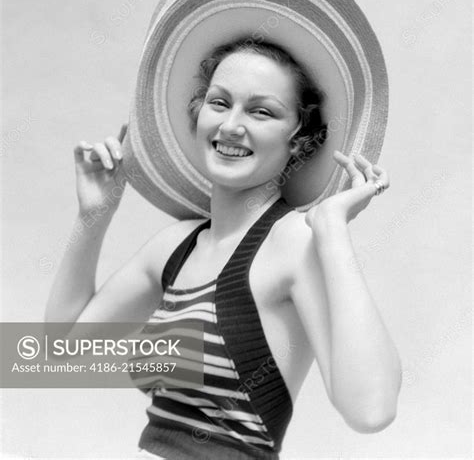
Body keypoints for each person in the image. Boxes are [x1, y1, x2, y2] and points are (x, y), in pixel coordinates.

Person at [45, 37, 401, 460]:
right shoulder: (175, 246)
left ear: (298, 139)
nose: (231, 125)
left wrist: (331, 228)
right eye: (219, 102)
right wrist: (92, 217)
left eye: (261, 111)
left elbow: (371, 410)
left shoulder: (295, 243)